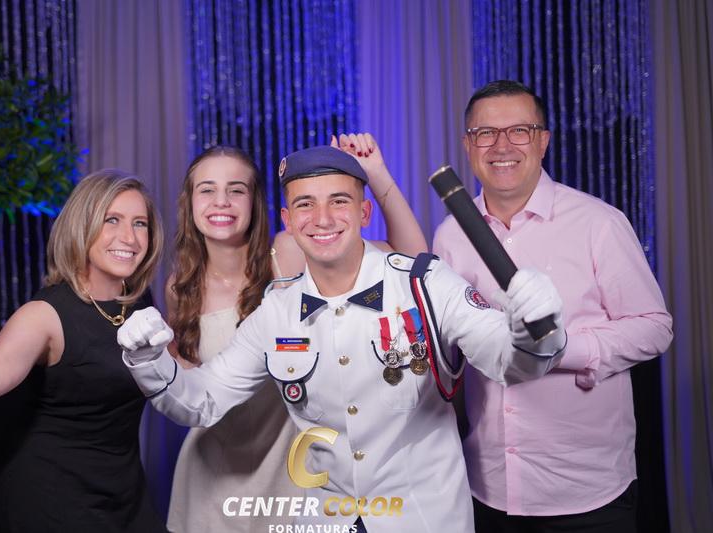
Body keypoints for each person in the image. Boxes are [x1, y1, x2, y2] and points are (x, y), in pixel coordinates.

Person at [119, 145, 567, 532]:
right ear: (287, 220)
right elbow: (202, 400)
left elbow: (510, 362)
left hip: (422, 519)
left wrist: (531, 328)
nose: (323, 219)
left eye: (339, 201)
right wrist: (149, 360)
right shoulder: (276, 311)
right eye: (305, 205)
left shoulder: (423, 284)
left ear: (364, 212)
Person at [432, 80, 673, 533]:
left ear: (543, 140)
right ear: (468, 145)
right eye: (485, 133)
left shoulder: (599, 223)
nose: (502, 146)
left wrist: (562, 351)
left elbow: (655, 327)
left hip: (586, 489)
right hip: (488, 486)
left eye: (519, 130)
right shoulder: (450, 236)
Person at [164, 135, 426, 533]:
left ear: (255, 202)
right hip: (212, 475)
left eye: (236, 190)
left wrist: (376, 175)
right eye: (207, 190)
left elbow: (411, 261)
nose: (222, 202)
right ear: (189, 203)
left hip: (293, 471)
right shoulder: (179, 286)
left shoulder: (287, 253)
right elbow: (189, 386)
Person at [0, 170, 167, 532]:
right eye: (111, 220)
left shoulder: (138, 303)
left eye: (139, 223)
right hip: (50, 502)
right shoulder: (45, 315)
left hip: (122, 495)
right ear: (82, 226)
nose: (129, 237)